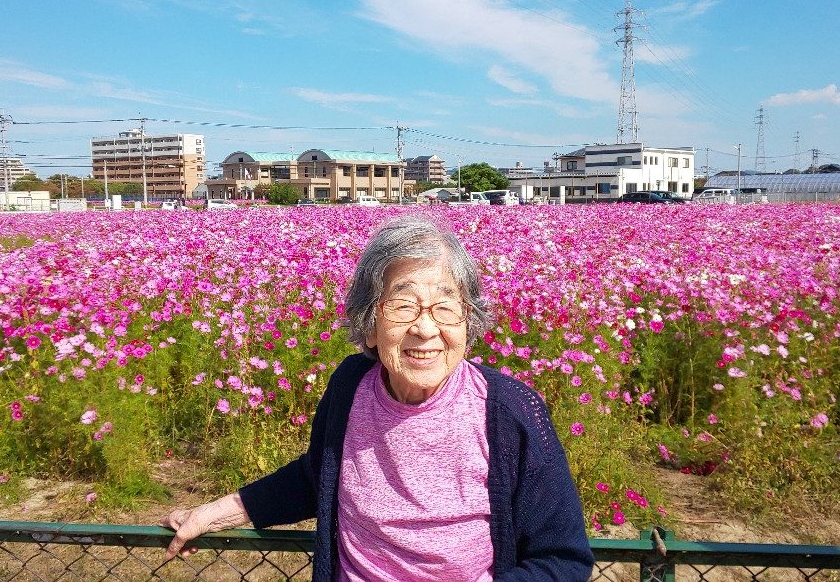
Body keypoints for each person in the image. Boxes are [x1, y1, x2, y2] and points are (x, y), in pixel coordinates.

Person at [160, 215, 593, 581]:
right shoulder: (350, 387)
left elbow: (564, 559)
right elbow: (318, 476)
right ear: (368, 325)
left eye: (446, 308)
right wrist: (214, 514)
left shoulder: (510, 411)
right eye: (403, 306)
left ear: (469, 322)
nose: (426, 329)